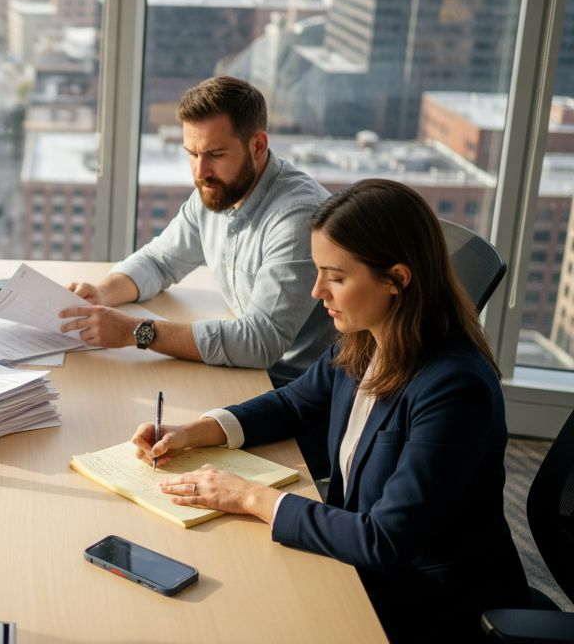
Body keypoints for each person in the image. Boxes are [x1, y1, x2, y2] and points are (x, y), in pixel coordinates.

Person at [131, 179, 528, 642]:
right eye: (319, 271)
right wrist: (194, 431)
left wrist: (250, 497)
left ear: (397, 279)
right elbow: (294, 403)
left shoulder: (455, 389)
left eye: (336, 277)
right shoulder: (367, 336)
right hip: (356, 561)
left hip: (430, 602)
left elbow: (385, 541)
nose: (318, 291)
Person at [59, 76, 335, 388]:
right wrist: (103, 292)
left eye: (216, 155)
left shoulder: (297, 218)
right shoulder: (218, 190)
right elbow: (160, 261)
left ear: (258, 145)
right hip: (244, 374)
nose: (200, 172)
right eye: (192, 153)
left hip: (294, 391)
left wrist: (134, 332)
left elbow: (261, 342)